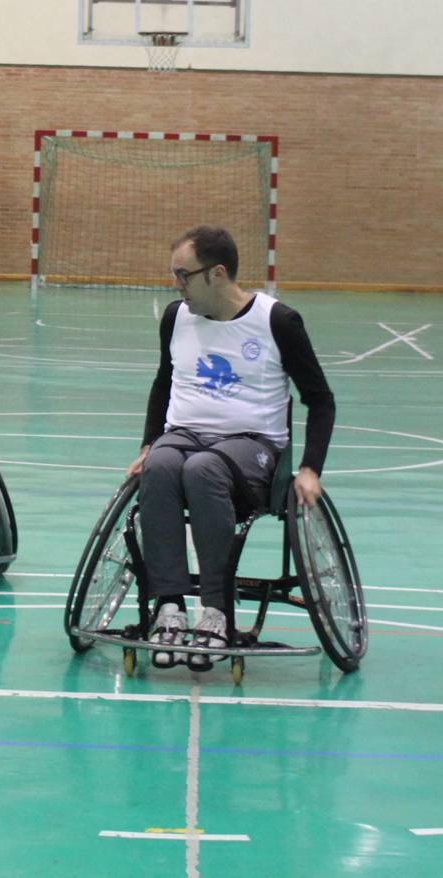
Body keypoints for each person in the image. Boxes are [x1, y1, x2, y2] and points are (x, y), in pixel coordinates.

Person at [128, 225, 336, 670]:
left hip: (253, 446)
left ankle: (216, 611)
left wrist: (310, 468)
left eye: (184, 274)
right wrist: (149, 443)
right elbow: (164, 381)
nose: (176, 284)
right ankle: (169, 607)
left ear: (217, 274)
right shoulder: (175, 317)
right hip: (185, 434)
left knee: (203, 469)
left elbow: (320, 400)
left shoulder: (277, 321)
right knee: (162, 466)